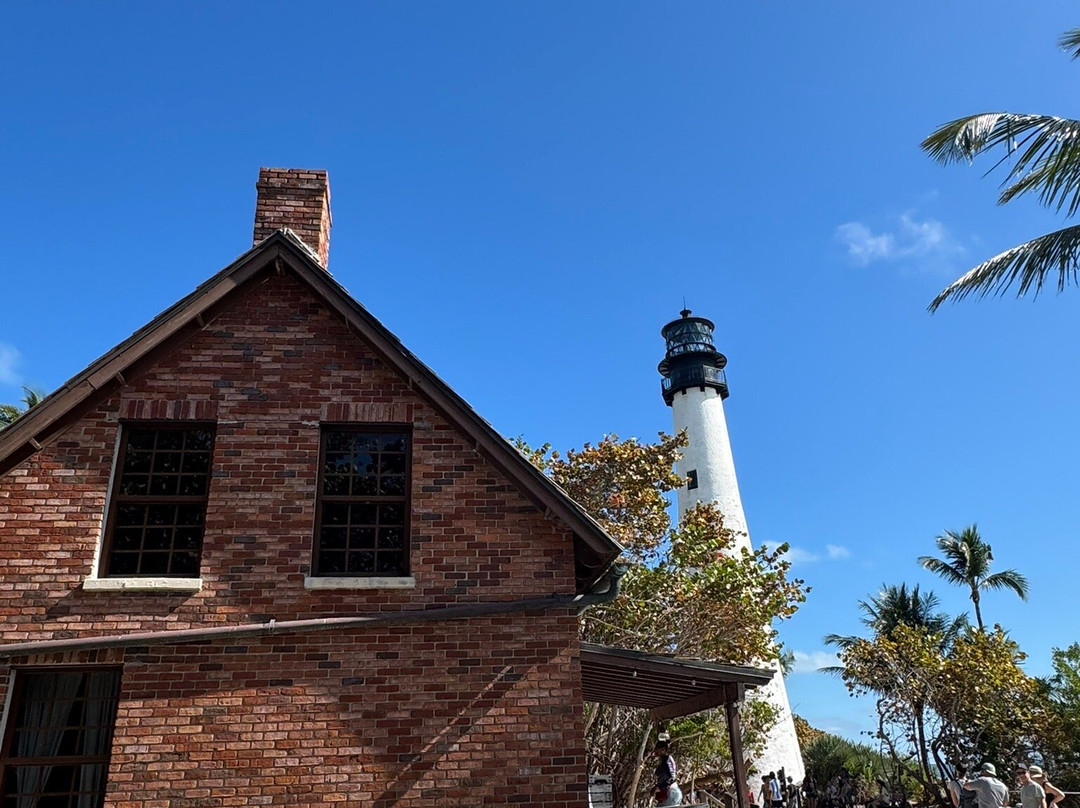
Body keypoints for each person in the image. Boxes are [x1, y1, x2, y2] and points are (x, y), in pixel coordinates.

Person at [652, 739, 682, 806]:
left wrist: (659, 787)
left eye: (657, 749)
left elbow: (671, 778)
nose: (655, 751)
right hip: (669, 793)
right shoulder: (663, 761)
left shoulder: (667, 760)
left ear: (663, 750)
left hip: (671, 793)